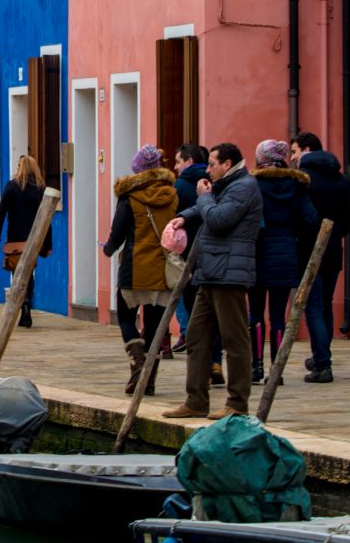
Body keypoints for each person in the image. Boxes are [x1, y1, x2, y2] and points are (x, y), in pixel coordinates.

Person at [165, 142, 263, 420]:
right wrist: (183, 217)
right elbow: (207, 208)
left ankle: (237, 402)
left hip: (230, 274)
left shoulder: (245, 187)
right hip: (210, 271)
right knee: (196, 336)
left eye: (212, 163)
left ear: (227, 164)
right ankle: (195, 400)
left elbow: (219, 218)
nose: (207, 169)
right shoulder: (226, 186)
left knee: (234, 340)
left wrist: (203, 198)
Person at [103, 144, 179, 393]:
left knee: (125, 318)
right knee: (156, 326)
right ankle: (150, 380)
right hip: (161, 269)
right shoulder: (171, 195)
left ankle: (138, 368)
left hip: (134, 268)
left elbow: (118, 232)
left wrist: (108, 248)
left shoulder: (130, 196)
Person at [292, 131, 350, 383]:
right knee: (325, 305)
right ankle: (322, 354)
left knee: (313, 306)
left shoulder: (304, 180)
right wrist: (337, 232)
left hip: (307, 249)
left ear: (307, 150)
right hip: (333, 249)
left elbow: (298, 215)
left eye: (295, 152)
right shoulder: (340, 180)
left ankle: (322, 362)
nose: (293, 158)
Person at [249, 138, 316, 385]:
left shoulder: (254, 184)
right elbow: (311, 218)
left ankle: (255, 366)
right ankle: (276, 371)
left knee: (255, 312)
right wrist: (291, 231)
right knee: (278, 315)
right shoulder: (295, 185)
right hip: (286, 251)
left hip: (257, 253)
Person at [0, 154, 53, 330]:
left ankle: (23, 303)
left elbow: (1, 213)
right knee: (29, 272)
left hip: (15, 239)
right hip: (34, 239)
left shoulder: (11, 187)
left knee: (17, 273)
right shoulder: (41, 189)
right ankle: (27, 304)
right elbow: (46, 219)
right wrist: (48, 244)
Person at [170, 143, 209, 348]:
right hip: (211, 247)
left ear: (189, 161)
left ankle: (189, 335)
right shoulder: (214, 182)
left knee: (186, 291)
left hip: (186, 248)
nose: (175, 167)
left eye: (178, 161)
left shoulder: (180, 185)